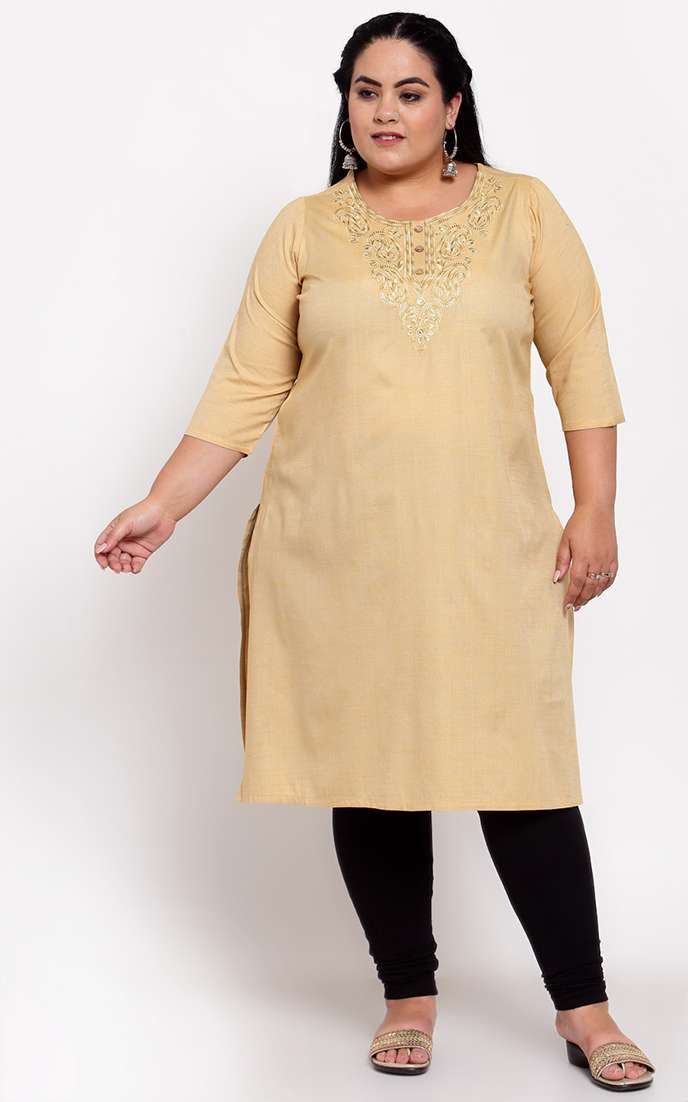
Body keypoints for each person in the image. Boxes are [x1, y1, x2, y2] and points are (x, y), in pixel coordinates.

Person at [93, 12, 655, 1091]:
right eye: (365, 91)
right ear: (344, 104)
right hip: (334, 546)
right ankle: (408, 996)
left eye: (409, 91)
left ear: (453, 104)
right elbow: (246, 383)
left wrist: (597, 509)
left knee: (523, 772)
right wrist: (164, 504)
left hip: (490, 547)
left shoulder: (524, 211)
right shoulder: (305, 227)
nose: (384, 112)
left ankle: (584, 1008)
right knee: (374, 772)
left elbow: (580, 362)